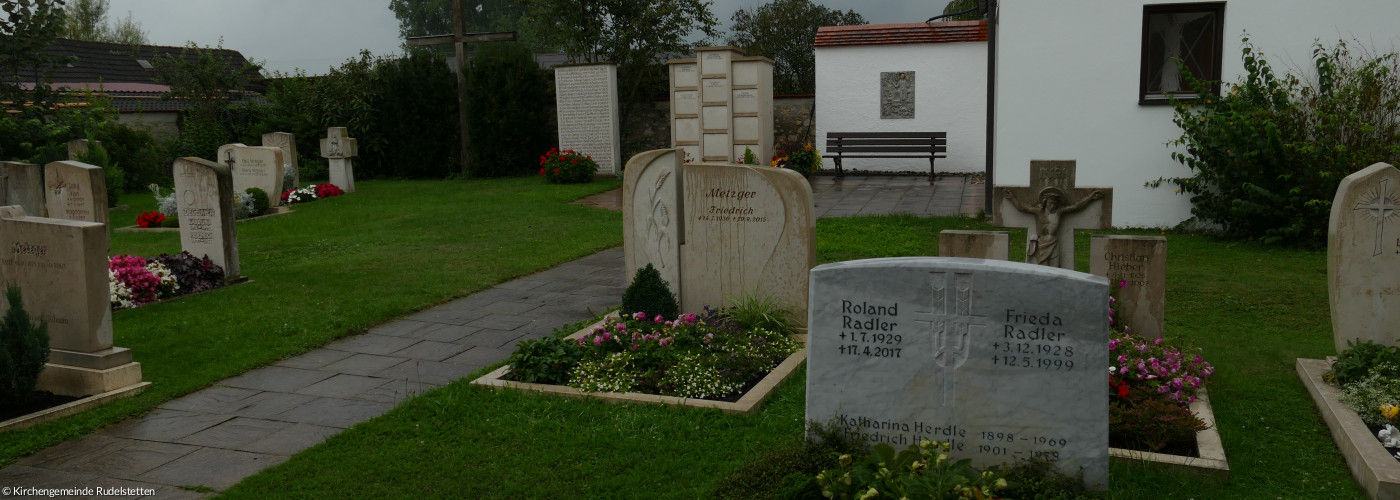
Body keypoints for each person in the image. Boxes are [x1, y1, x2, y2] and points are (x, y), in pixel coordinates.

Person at [1004, 187, 1103, 266]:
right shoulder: (1038, 212)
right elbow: (1022, 207)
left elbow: (1076, 207)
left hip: (1054, 242)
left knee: (1055, 269)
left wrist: (1090, 197)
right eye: (1050, 203)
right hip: (1042, 243)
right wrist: (1012, 197)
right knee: (1043, 269)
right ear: (1045, 202)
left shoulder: (1059, 212)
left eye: (1055, 203)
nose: (1052, 205)